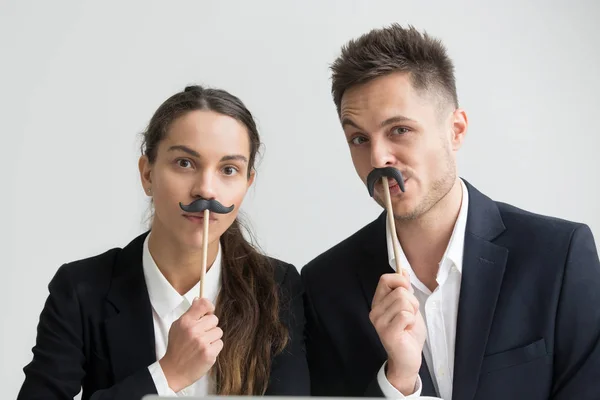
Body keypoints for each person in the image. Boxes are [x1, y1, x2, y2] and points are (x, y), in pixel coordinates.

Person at [301, 24, 600, 400]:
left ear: (456, 130)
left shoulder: (559, 256)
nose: (377, 158)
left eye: (400, 130)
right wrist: (399, 382)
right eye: (359, 139)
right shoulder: (325, 285)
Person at [18, 85, 310, 400]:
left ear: (247, 183)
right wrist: (166, 375)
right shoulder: (80, 289)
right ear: (147, 174)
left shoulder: (277, 286)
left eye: (229, 170)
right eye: (185, 163)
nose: (206, 191)